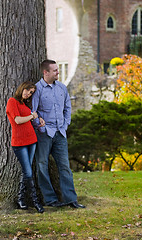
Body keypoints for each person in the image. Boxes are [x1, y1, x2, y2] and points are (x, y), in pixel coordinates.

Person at [32, 60, 85, 208]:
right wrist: (40, 126)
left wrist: (65, 125)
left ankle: (71, 200)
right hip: (44, 134)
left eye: (57, 69)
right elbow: (32, 112)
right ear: (46, 72)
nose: (58, 72)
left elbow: (68, 108)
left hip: (60, 134)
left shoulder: (62, 88)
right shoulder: (37, 89)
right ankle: (50, 200)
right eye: (55, 70)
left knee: (65, 167)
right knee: (42, 166)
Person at [6, 81, 44, 213]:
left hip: (31, 140)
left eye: (31, 92)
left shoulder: (25, 104)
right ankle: (35, 201)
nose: (28, 94)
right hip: (19, 143)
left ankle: (21, 198)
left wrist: (38, 120)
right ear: (22, 88)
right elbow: (17, 120)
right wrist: (31, 116)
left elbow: (29, 121)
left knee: (26, 171)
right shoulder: (12, 101)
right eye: (28, 90)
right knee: (28, 172)